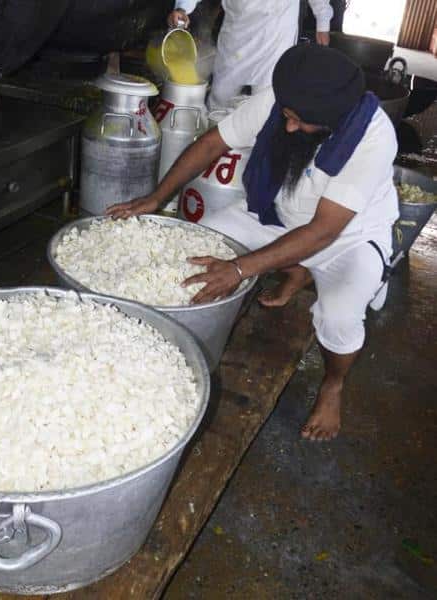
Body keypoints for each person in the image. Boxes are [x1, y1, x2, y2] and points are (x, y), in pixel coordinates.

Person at [107, 44, 398, 442]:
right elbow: (213, 143)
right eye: (288, 117)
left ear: (333, 120)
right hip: (276, 216)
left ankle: (333, 385)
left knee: (339, 316)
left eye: (299, 122)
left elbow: (323, 232)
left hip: (347, 238)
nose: (289, 127)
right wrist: (158, 197)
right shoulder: (285, 99)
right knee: (195, 245)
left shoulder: (374, 139)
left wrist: (241, 268)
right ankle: (293, 270)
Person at [168, 0, 333, 108]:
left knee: (266, 102)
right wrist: (183, 8)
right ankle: (218, 157)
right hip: (237, 32)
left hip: (276, 33)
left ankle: (257, 156)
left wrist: (323, 19)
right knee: (221, 98)